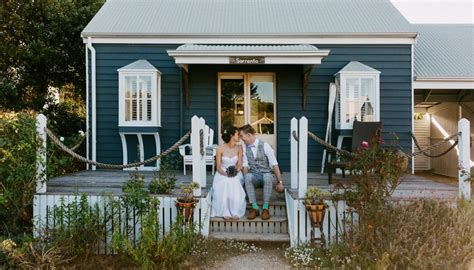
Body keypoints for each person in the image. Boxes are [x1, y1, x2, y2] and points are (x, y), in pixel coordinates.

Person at [239, 124, 284, 220]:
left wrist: (280, 182)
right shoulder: (244, 147)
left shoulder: (265, 146)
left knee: (267, 176)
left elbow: (274, 164)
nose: (241, 139)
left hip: (266, 174)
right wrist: (246, 182)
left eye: (242, 136)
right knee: (247, 177)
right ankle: (254, 208)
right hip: (254, 175)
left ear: (249, 135)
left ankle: (265, 208)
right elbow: (245, 166)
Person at [210, 126, 246, 220]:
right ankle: (224, 211)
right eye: (237, 134)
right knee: (225, 182)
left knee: (234, 182)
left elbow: (239, 165)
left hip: (235, 173)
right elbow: (218, 167)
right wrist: (226, 174)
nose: (239, 136)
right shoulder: (220, 148)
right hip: (222, 172)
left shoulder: (239, 148)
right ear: (231, 135)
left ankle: (235, 211)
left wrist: (235, 172)